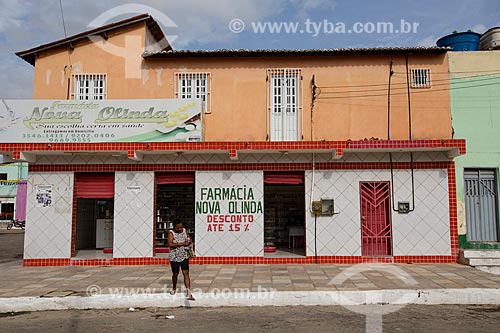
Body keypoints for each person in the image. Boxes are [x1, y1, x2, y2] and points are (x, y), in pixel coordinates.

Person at [167, 219, 195, 300]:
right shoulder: (171, 233)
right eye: (178, 228)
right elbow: (170, 244)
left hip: (184, 255)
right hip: (174, 256)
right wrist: (182, 243)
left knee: (186, 272)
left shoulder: (184, 230)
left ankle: (189, 292)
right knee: (175, 273)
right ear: (174, 227)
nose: (180, 229)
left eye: (181, 228)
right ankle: (174, 288)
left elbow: (188, 238)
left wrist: (189, 241)